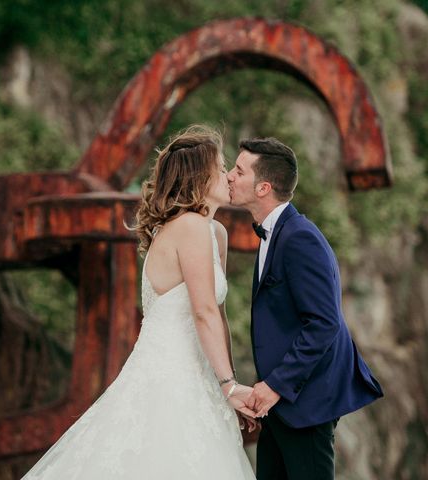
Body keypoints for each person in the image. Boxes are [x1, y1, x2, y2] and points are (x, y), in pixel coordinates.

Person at [21, 125, 257, 479]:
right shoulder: (189, 226)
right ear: (198, 176)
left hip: (203, 375)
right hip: (170, 374)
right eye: (220, 167)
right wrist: (230, 385)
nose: (226, 175)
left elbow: (219, 317)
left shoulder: (214, 233)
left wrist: (226, 383)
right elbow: (203, 312)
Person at [227, 137, 384, 480]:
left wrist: (275, 386)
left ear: (263, 187)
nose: (229, 176)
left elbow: (324, 322)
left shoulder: (300, 237)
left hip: (306, 402)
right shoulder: (275, 233)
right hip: (281, 405)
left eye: (238, 171)